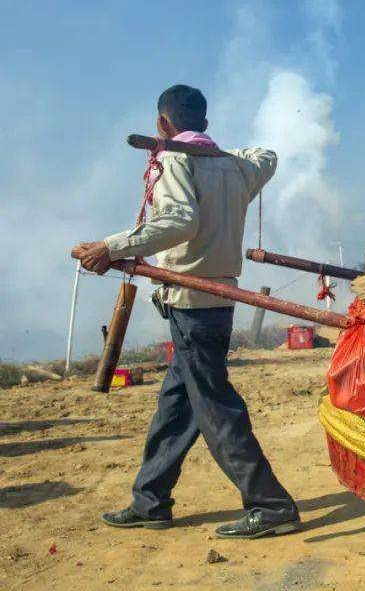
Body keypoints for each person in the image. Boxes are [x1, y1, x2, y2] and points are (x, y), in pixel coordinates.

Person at [71, 84, 300, 539]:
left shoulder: (174, 160)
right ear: (207, 125)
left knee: (215, 408)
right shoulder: (236, 166)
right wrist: (215, 151)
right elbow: (267, 155)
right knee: (175, 407)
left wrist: (110, 246)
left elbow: (178, 222)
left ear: (162, 124)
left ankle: (270, 505)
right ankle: (150, 499)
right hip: (210, 303)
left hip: (195, 305)